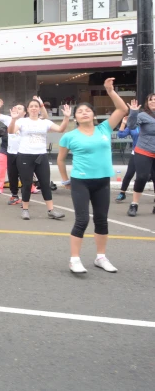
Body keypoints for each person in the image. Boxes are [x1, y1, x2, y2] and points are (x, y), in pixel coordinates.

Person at [57, 78, 126, 274]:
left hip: (103, 180)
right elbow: (61, 160)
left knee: (102, 220)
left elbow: (122, 110)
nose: (84, 112)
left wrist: (110, 91)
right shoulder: (69, 136)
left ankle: (101, 257)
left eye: (87, 110)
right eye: (80, 111)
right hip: (81, 181)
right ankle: (74, 259)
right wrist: (65, 180)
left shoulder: (103, 128)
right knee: (82, 220)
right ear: (75, 118)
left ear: (93, 115)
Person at [8, 98, 70, 220]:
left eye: (36, 106)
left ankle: (51, 210)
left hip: (41, 156)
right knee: (27, 184)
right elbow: (11, 131)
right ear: (28, 109)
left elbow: (60, 129)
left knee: (45, 184)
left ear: (39, 108)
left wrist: (66, 117)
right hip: (25, 156)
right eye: (31, 106)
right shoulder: (22, 121)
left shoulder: (45, 122)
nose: (34, 108)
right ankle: (25, 209)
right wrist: (14, 119)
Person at [123, 93, 155, 216]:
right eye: (150, 100)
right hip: (144, 150)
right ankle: (134, 204)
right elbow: (131, 125)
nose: (153, 102)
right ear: (147, 102)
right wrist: (133, 112)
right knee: (142, 177)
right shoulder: (143, 115)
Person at [114, 116, 154, 202]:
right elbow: (121, 135)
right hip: (136, 152)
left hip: (150, 153)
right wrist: (123, 123)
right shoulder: (132, 127)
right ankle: (122, 193)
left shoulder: (150, 126)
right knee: (129, 174)